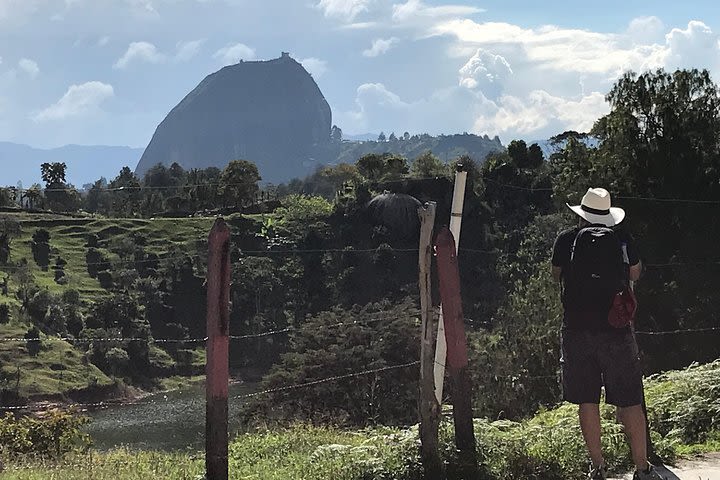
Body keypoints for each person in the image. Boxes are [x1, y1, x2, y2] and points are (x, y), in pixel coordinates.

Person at [551, 187, 663, 480]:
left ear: (581, 215)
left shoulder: (566, 239)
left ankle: (598, 466)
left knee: (587, 400)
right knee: (629, 399)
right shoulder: (622, 238)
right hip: (616, 328)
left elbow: (556, 274)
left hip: (576, 329)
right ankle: (642, 467)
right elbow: (635, 272)